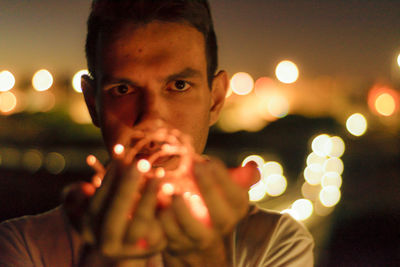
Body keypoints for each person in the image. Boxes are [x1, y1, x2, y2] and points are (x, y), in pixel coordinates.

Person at [0, 0, 314, 266]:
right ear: (93, 103)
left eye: (179, 86)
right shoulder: (23, 246)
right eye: (123, 89)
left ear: (215, 99)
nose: (151, 118)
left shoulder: (274, 243)